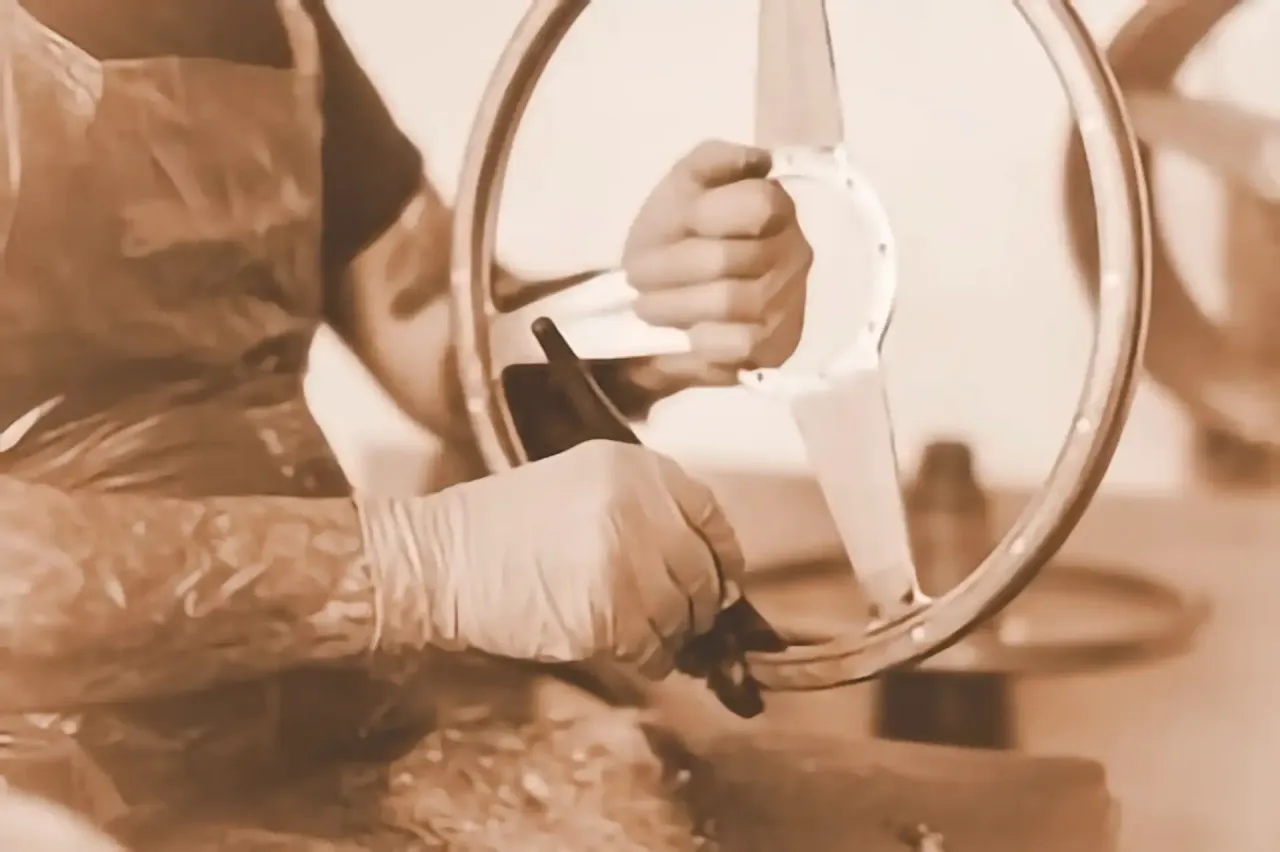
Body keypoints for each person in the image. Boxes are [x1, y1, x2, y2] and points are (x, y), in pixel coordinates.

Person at [0, 0, 812, 837]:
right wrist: (422, 563)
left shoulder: (279, 20)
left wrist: (647, 321)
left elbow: (431, 325)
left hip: (325, 738)